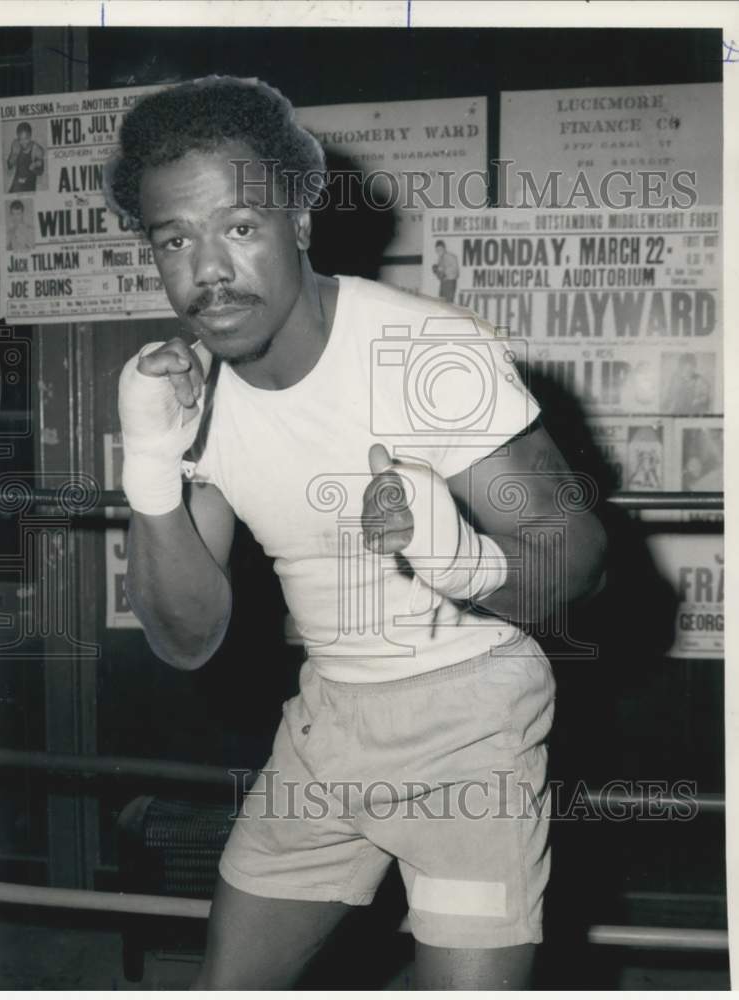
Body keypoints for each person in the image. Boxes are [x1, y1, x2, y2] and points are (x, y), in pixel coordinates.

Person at [107, 76, 606, 990]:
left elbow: (575, 569)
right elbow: (186, 636)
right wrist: (148, 468)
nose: (208, 268)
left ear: (299, 222)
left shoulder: (426, 356)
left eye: (240, 227)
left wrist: (449, 554)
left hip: (472, 724)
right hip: (327, 725)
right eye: (175, 239)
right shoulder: (193, 390)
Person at [6, 122, 44, 194]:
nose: (23, 142)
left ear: (30, 137)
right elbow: (9, 166)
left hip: (29, 187)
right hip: (16, 186)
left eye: (26, 139)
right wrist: (13, 156)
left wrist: (34, 167)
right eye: (20, 139)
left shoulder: (36, 149)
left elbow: (41, 172)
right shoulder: (16, 144)